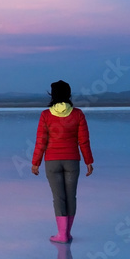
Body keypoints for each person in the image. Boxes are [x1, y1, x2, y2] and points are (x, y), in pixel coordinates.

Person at [31, 80, 93, 243]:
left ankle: (62, 234)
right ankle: (67, 233)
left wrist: (35, 162)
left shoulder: (45, 115)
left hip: (52, 162)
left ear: (52, 95)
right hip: (72, 161)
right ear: (69, 94)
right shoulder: (78, 114)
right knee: (71, 196)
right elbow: (84, 141)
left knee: (59, 198)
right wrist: (88, 161)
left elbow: (41, 141)